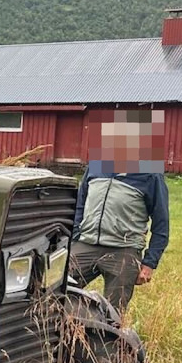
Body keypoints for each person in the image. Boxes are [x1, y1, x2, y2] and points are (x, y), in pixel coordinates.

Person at [71, 110, 169, 313]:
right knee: (56, 295)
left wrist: (149, 263)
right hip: (85, 245)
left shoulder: (150, 174)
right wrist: (75, 236)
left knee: (113, 315)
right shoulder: (96, 166)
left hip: (123, 251)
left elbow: (161, 223)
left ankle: (105, 344)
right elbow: (80, 205)